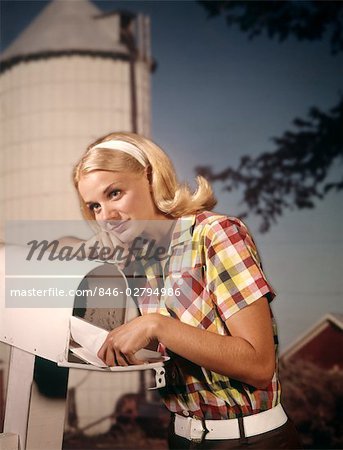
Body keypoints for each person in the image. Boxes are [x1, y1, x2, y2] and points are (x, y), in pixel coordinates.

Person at [72, 131, 301, 449]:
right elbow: (176, 345)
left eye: (115, 193)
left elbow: (259, 366)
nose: (107, 217)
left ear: (149, 177)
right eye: (95, 206)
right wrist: (110, 344)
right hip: (181, 437)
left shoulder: (215, 235)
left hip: (250, 441)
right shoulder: (138, 262)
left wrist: (155, 325)